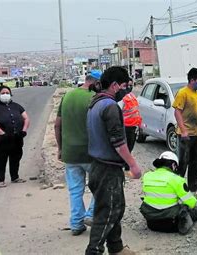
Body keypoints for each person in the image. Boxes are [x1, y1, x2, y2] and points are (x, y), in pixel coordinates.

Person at [85, 66, 142, 255]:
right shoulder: (110, 107)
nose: (126, 91)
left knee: (115, 208)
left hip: (98, 166)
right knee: (107, 213)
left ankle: (116, 247)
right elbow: (118, 141)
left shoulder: (95, 103)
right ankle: (93, 251)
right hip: (107, 169)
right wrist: (132, 164)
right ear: (116, 85)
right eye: (124, 85)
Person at [54, 70, 102, 236]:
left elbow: (57, 125)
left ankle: (76, 224)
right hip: (90, 153)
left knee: (75, 190)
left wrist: (60, 148)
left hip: (70, 153)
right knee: (100, 186)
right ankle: (90, 215)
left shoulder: (67, 97)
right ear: (95, 83)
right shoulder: (94, 99)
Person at [140, 151, 197, 234]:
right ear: (173, 165)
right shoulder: (177, 180)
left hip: (151, 224)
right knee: (192, 210)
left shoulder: (146, 176)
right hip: (171, 224)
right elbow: (192, 204)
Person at [173, 68, 197, 193]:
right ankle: (178, 188)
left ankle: (193, 186)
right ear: (192, 80)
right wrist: (183, 130)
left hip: (196, 133)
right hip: (185, 135)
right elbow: (177, 112)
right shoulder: (183, 93)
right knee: (183, 161)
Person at [0, 85, 30, 188]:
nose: (5, 95)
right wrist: (2, 133)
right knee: (2, 159)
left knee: (16, 158)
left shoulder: (17, 106)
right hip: (2, 139)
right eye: (3, 93)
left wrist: (23, 131)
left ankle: (15, 177)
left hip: (17, 138)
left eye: (7, 93)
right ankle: (0, 180)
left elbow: (26, 118)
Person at [117, 78, 142, 171]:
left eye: (132, 85)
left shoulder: (132, 96)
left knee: (130, 146)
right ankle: (124, 164)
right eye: (128, 85)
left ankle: (126, 164)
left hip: (134, 126)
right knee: (126, 147)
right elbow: (118, 111)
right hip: (126, 126)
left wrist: (139, 124)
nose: (130, 87)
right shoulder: (122, 98)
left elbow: (136, 110)